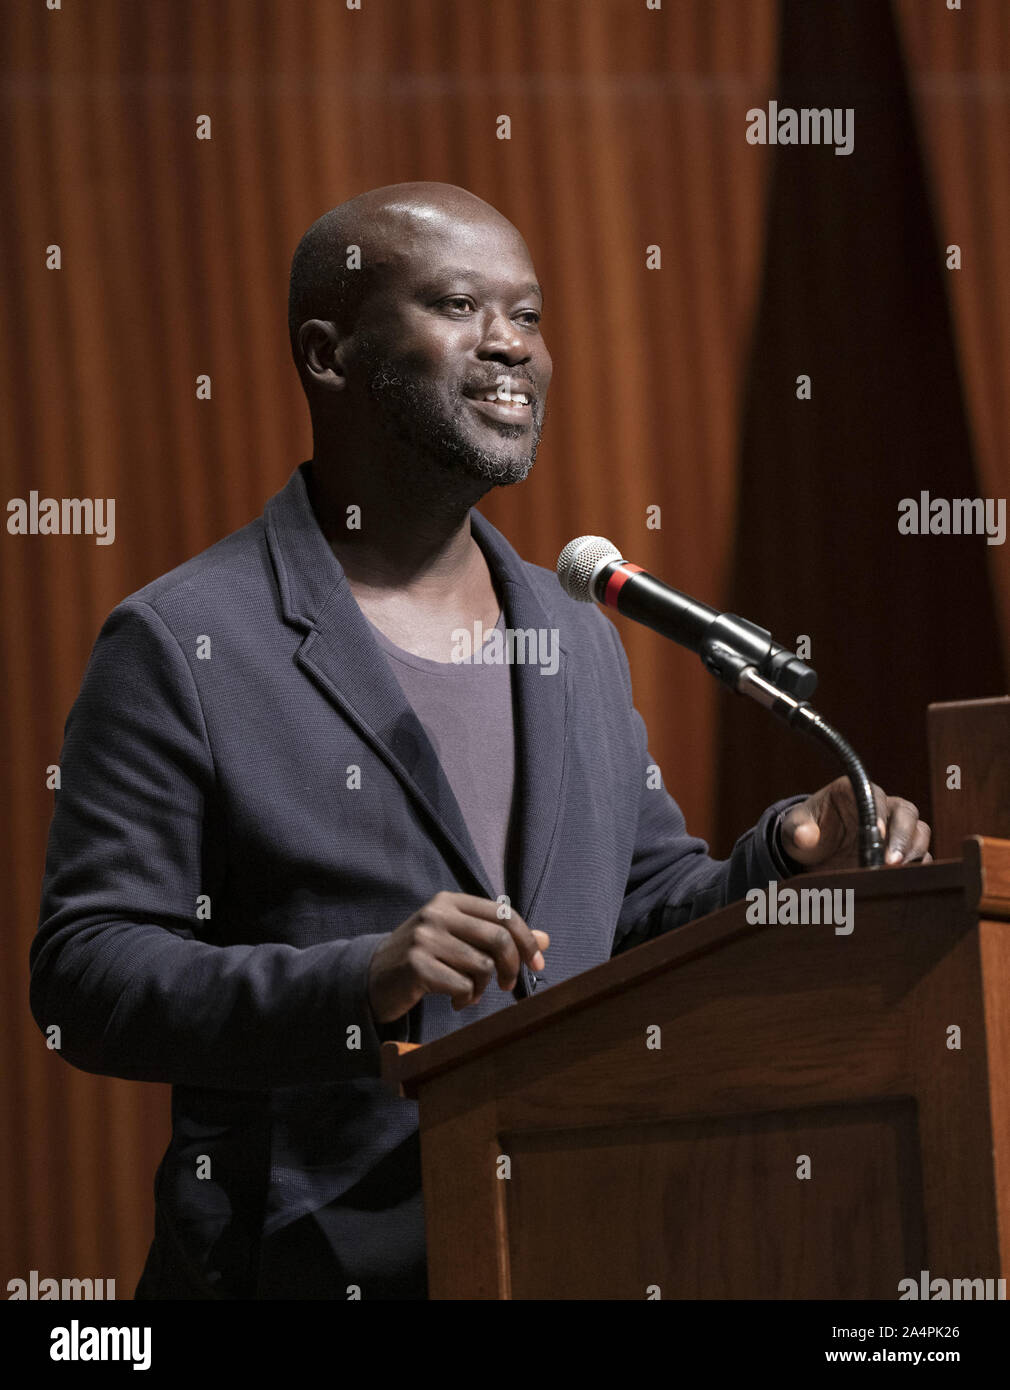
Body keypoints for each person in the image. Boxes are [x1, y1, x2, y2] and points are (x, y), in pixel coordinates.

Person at [30, 182, 931, 1301]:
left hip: (573, 1241)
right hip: (303, 1273)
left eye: (529, 313)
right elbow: (86, 976)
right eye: (459, 305)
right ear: (328, 353)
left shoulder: (573, 633)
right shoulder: (185, 640)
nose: (509, 344)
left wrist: (785, 856)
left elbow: (636, 912)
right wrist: (360, 980)